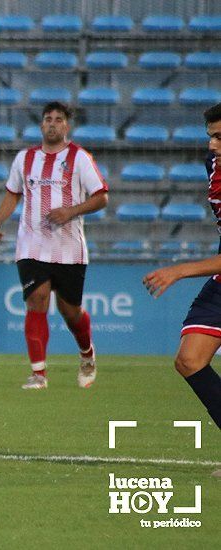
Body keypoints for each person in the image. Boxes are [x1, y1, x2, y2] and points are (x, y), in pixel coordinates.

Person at [0, 102, 109, 390]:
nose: (52, 124)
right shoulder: (24, 159)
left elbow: (101, 197)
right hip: (31, 245)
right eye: (47, 119)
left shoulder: (79, 158)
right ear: (41, 125)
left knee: (71, 312)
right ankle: (38, 374)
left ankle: (87, 353)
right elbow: (12, 194)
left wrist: (70, 211)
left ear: (66, 126)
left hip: (69, 248)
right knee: (37, 299)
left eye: (58, 120)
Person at [143, 102, 221, 441]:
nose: (212, 145)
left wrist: (179, 271)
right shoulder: (214, 164)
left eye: (219, 137)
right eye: (210, 137)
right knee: (190, 359)